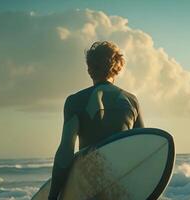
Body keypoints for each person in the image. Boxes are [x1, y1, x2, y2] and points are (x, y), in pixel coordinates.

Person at [48, 41, 144, 200]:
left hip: (89, 184)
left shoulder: (75, 101)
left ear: (89, 69)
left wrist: (53, 196)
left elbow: (66, 150)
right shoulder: (131, 101)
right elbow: (141, 147)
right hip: (122, 185)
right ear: (118, 67)